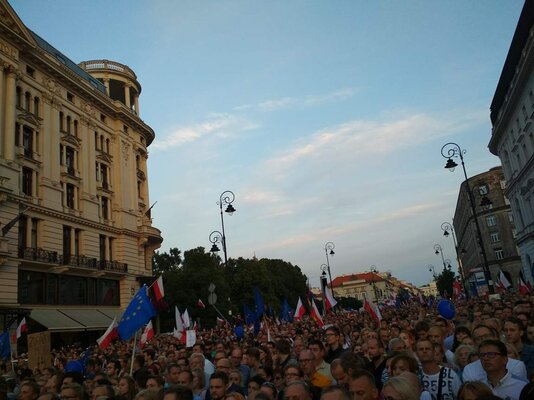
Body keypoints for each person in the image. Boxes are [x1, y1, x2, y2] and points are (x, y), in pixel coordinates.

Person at [463, 324, 527, 382]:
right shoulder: (469, 370)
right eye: (479, 338)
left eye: (487, 336)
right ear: (474, 343)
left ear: (495, 338)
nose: (484, 339)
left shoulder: (516, 366)